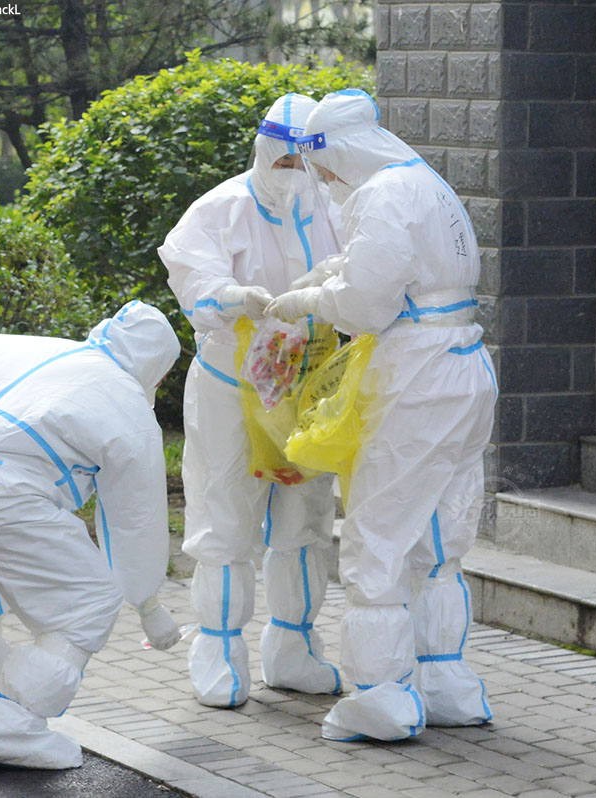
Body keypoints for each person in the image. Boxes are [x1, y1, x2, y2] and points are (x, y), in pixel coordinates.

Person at [266, 88, 498, 741]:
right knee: (437, 539)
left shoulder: (382, 194)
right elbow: (397, 264)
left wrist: (309, 300)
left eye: (325, 166)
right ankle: (445, 682)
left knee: (377, 539)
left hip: (418, 378)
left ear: (337, 152)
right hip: (465, 368)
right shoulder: (422, 183)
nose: (325, 180)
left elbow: (367, 304)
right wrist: (329, 274)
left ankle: (380, 698)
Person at [0, 301, 182, 769]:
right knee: (88, 602)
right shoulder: (125, 400)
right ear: (155, 369)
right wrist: (148, 603)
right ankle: (8, 725)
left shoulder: (23, 347)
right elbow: (133, 519)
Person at [157, 92, 343, 708]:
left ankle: (292, 647)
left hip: (309, 385)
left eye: (303, 162)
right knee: (226, 513)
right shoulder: (220, 209)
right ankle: (217, 647)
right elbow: (195, 281)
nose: (294, 174)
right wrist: (237, 297)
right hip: (232, 388)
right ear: (263, 150)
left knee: (306, 517)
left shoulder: (333, 205)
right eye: (282, 161)